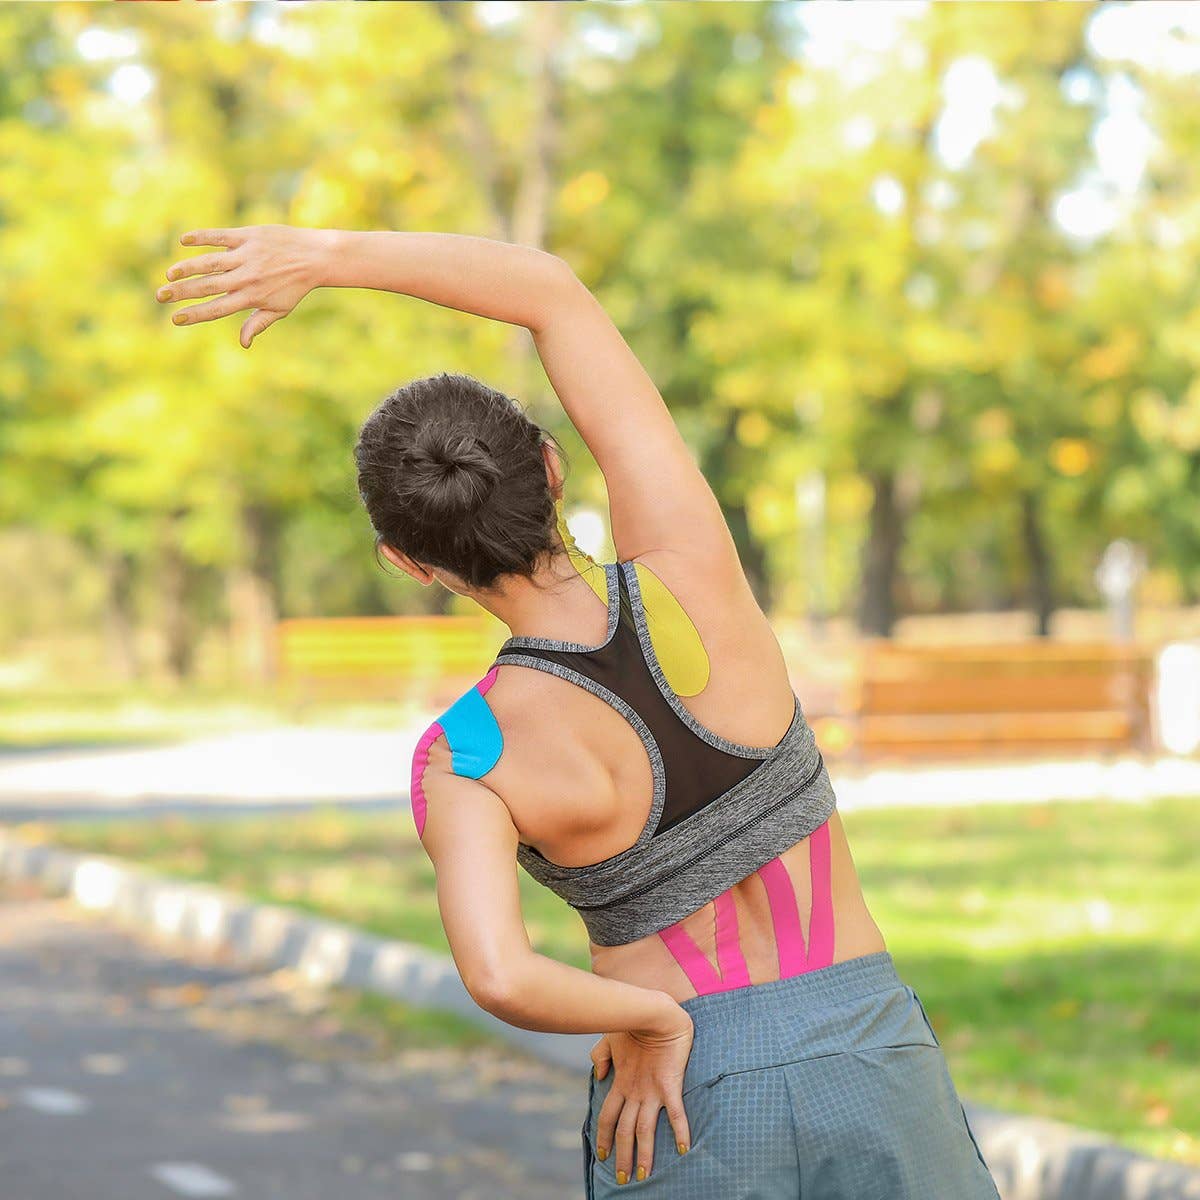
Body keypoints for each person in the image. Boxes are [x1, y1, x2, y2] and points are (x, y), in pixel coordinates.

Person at [157, 225, 1001, 1199]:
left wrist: (654, 1018)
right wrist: (323, 256)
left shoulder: (466, 750)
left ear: (414, 566)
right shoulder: (697, 578)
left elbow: (502, 976)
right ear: (552, 467)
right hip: (875, 1059)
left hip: (687, 1097)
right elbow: (550, 292)